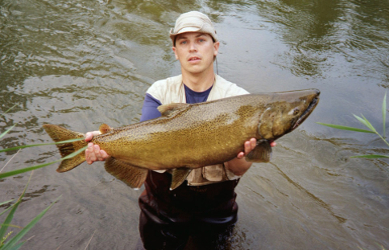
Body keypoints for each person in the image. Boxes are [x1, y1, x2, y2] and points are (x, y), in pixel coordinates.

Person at [85, 11, 275, 250]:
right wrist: (107, 145)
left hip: (215, 210)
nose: (192, 48)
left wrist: (246, 153)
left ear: (215, 47)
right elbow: (146, 144)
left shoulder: (240, 101)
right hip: (161, 208)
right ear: (175, 52)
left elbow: (237, 169)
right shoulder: (160, 92)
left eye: (200, 40)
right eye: (184, 42)